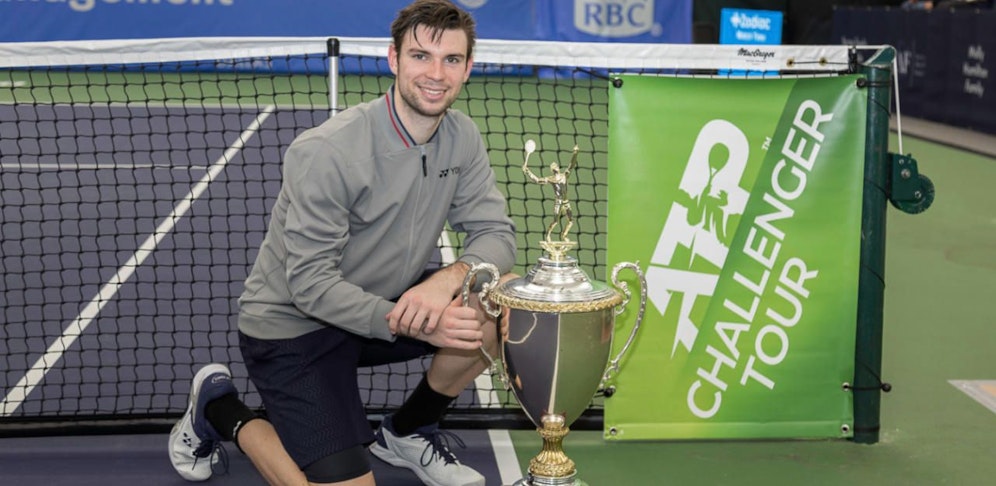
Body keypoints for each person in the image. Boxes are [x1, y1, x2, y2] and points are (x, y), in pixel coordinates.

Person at [167, 1, 517, 485]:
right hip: (293, 326)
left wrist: (449, 279)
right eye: (420, 57)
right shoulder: (328, 152)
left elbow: (497, 235)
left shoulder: (462, 136)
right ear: (393, 60)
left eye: (451, 60)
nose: (436, 74)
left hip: (382, 302)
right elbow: (309, 284)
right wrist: (409, 321)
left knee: (509, 303)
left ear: (467, 68)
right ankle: (223, 409)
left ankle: (409, 431)